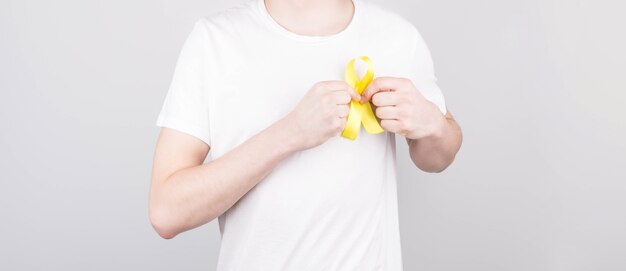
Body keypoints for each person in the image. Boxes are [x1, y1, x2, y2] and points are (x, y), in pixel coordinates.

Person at [149, 0, 463, 269]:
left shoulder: (397, 37)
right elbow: (167, 212)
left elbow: (436, 158)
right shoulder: (214, 41)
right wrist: (289, 133)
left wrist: (433, 124)